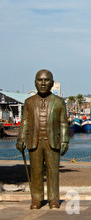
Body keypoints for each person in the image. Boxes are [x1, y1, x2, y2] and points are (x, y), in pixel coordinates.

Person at [16, 69, 69, 209]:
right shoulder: (29, 102)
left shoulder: (59, 102)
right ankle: (37, 199)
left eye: (46, 80)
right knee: (36, 171)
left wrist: (65, 140)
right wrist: (21, 138)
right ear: (35, 83)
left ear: (52, 83)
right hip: (35, 141)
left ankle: (53, 199)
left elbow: (63, 123)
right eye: (40, 80)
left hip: (53, 141)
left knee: (53, 171)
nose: (43, 83)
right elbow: (25, 122)